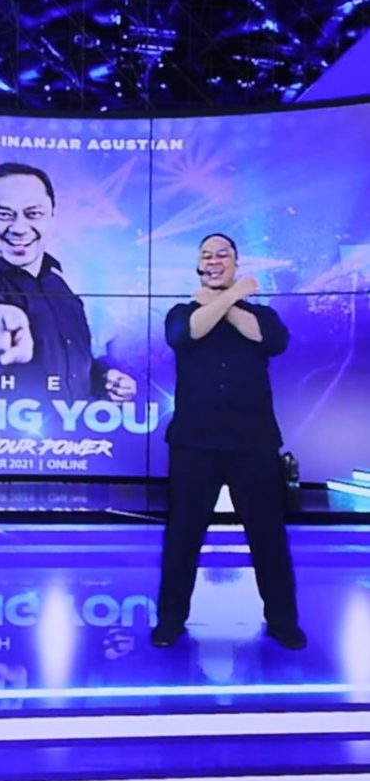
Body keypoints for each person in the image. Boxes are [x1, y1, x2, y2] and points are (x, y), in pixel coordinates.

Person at [151, 232, 306, 650]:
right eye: (207, 255)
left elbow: (270, 341)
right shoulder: (182, 313)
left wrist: (228, 298)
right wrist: (235, 292)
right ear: (199, 266)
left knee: (268, 536)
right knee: (182, 536)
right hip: (194, 444)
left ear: (235, 263)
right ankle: (170, 621)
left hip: (252, 443)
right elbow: (187, 335)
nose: (215, 260)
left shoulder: (262, 316)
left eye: (223, 254)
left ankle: (282, 621)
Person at [0, 162, 136, 403]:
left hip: (64, 427)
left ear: (51, 216)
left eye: (33, 214)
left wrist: (102, 379)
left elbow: (66, 361)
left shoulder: (58, 286)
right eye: (4, 214)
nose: (19, 228)